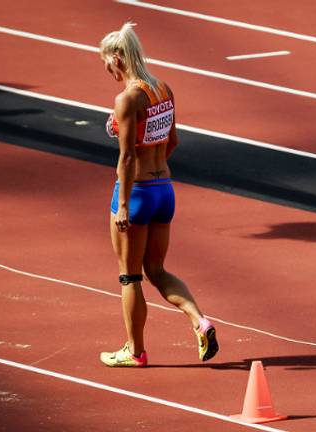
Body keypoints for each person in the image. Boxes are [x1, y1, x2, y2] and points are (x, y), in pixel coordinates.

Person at [98, 22, 218, 367]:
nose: (106, 68)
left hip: (135, 193)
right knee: (157, 269)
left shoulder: (127, 99)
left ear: (118, 58)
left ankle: (135, 351)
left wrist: (123, 204)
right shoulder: (163, 89)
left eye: (106, 61)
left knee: (129, 276)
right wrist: (155, 174)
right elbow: (173, 141)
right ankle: (200, 320)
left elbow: (127, 156)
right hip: (164, 189)